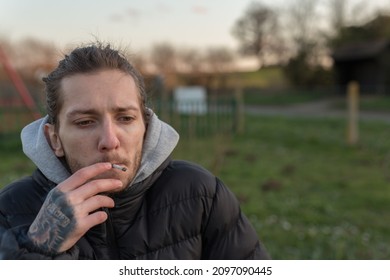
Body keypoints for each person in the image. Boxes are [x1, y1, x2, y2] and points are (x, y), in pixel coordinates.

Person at [0, 42, 270, 260]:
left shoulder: (201, 195)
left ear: (146, 127)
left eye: (125, 119)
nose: (109, 140)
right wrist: (35, 247)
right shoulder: (9, 211)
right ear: (55, 138)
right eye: (84, 122)